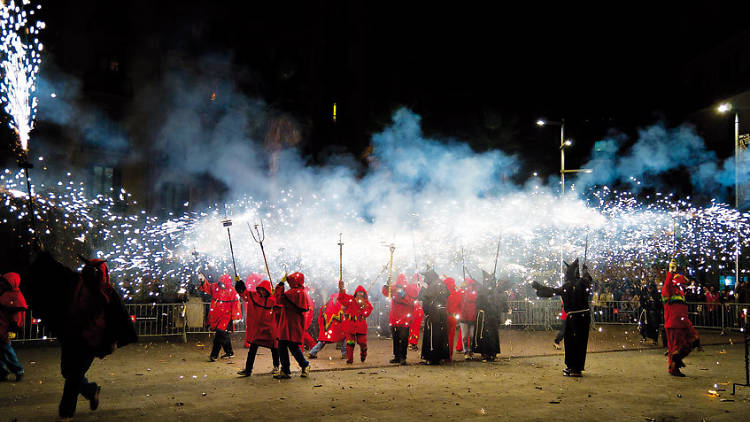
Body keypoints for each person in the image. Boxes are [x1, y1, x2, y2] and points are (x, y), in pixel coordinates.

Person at [26, 252, 138, 421]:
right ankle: (90, 390)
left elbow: (120, 318)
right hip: (72, 335)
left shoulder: (109, 294)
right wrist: (43, 256)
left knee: (74, 375)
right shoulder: (76, 282)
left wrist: (115, 340)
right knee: (68, 371)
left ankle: (66, 413)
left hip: (91, 340)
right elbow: (58, 270)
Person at [532, 258, 592, 377]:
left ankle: (574, 368)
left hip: (575, 318)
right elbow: (588, 280)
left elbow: (552, 291)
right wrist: (585, 271)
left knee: (573, 342)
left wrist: (539, 288)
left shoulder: (570, 285)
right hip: (582, 317)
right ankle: (575, 367)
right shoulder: (582, 282)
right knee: (577, 342)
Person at [235, 276, 279, 377]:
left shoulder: (272, 300)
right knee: (252, 350)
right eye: (260, 290)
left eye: (264, 290)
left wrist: (276, 295)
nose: (262, 292)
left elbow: (280, 306)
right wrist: (239, 283)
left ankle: (276, 367)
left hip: (269, 328)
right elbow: (244, 294)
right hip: (258, 330)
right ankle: (248, 370)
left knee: (274, 348)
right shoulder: (254, 296)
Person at [662, 259, 700, 377]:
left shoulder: (680, 292)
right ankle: (673, 368)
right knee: (675, 348)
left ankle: (675, 363)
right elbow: (667, 284)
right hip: (674, 324)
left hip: (683, 323)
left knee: (693, 340)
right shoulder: (668, 289)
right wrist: (670, 272)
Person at [274, 272, 311, 379]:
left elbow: (280, 298)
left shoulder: (294, 292)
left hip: (289, 323)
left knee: (287, 346)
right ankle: (292, 368)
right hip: (292, 323)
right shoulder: (301, 292)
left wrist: (280, 285)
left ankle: (299, 366)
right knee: (288, 346)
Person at [199, 273, 242, 361]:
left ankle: (214, 355)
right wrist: (203, 280)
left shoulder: (232, 291)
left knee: (219, 333)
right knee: (224, 334)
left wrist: (236, 317)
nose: (221, 286)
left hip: (226, 316)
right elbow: (207, 287)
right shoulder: (215, 287)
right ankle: (229, 352)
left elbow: (236, 305)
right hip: (216, 316)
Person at [383, 274, 419, 364]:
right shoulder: (395, 288)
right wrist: (386, 286)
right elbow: (386, 293)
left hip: (404, 319)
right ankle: (397, 356)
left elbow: (411, 300)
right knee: (396, 339)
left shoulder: (409, 289)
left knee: (403, 339)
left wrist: (403, 296)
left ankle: (402, 357)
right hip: (396, 319)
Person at [472, 272, 506, 362]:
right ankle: (491, 354)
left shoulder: (490, 291)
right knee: (490, 335)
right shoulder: (492, 291)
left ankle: (488, 354)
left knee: (487, 335)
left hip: (488, 317)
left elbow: (479, 304)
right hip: (491, 316)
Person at [337, 281, 373, 363]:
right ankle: (350, 359)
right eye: (358, 294)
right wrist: (341, 289)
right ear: (355, 294)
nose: (359, 296)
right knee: (350, 343)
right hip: (350, 325)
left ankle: (363, 353)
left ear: (364, 295)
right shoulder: (350, 299)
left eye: (361, 294)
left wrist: (363, 308)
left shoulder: (366, 303)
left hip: (361, 326)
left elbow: (368, 311)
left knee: (362, 343)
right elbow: (342, 298)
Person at [420, 269, 450, 365]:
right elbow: (447, 294)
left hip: (433, 313)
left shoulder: (432, 286)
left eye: (426, 277)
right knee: (442, 334)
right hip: (442, 311)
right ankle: (441, 356)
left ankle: (433, 357)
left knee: (433, 335)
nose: (425, 279)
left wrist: (426, 312)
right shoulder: (442, 283)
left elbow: (424, 299)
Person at [0, 272, 27, 382]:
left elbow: (17, 316)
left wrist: (12, 329)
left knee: (6, 351)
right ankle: (3, 372)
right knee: (3, 351)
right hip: (2, 327)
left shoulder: (15, 296)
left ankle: (17, 369)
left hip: (4, 329)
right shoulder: (8, 294)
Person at [308, 290, 346, 359]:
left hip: (326, 329)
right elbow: (342, 317)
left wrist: (321, 328)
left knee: (323, 341)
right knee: (344, 338)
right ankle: (344, 353)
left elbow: (320, 319)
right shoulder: (338, 305)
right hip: (335, 328)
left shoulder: (325, 306)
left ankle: (312, 352)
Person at [459, 278, 478, 359]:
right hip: (464, 317)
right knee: (465, 336)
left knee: (472, 335)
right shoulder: (462, 294)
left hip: (473, 318)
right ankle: (466, 351)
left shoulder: (475, 294)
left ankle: (470, 350)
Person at [443, 277, 462, 361]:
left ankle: (442, 354)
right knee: (451, 337)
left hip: (443, 317)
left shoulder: (443, 294)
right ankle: (449, 355)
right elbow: (460, 305)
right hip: (453, 317)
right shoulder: (457, 294)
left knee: (443, 336)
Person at [408, 275, 424, 351]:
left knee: (410, 327)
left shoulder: (409, 287)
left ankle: (409, 342)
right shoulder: (419, 288)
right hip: (417, 310)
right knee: (416, 328)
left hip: (410, 310)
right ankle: (413, 343)